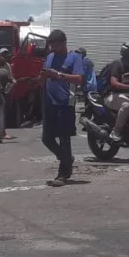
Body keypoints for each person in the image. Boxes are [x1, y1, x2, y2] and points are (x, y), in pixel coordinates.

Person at [40, 29, 85, 187]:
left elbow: (79, 78)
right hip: (49, 102)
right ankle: (66, 158)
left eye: (54, 44)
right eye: (50, 44)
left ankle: (63, 174)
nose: (52, 47)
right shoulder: (50, 57)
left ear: (63, 43)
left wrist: (59, 75)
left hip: (65, 102)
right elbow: (47, 74)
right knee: (46, 138)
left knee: (64, 139)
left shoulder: (74, 57)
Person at [104, 42, 129, 142]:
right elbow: (113, 82)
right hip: (112, 95)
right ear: (128, 54)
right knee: (127, 105)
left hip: (126, 95)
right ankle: (116, 131)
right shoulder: (117, 64)